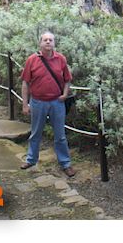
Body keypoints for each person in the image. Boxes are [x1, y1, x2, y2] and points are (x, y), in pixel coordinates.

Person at [20, 31, 75, 177]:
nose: (48, 42)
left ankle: (65, 163)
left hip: (57, 102)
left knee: (60, 135)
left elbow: (67, 79)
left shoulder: (61, 59)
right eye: (45, 40)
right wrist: (25, 104)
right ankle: (31, 159)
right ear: (40, 43)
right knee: (36, 132)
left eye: (51, 40)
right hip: (38, 102)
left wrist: (64, 94)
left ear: (54, 43)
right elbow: (25, 83)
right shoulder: (32, 60)